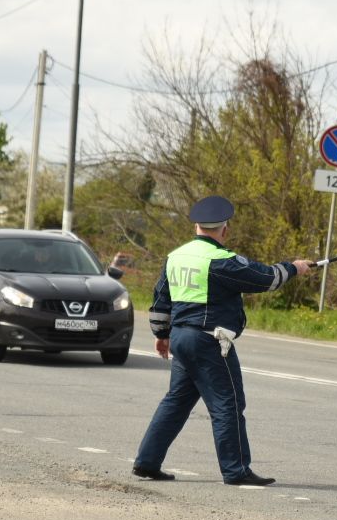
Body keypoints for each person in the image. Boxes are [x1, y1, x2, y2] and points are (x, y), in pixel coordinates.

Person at [133, 195, 315, 486]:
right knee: (228, 403)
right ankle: (236, 469)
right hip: (208, 340)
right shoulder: (221, 261)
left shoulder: (175, 257)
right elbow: (266, 278)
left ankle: (146, 462)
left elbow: (159, 301)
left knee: (176, 401)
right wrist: (294, 267)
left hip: (181, 337)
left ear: (196, 226)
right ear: (224, 229)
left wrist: (161, 335)